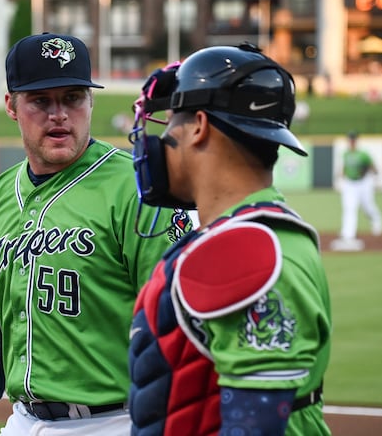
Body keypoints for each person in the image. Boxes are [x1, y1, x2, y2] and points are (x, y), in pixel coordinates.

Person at [0, 32, 192, 436]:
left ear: (91, 102)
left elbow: (180, 326)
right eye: (40, 100)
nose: (58, 114)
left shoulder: (138, 188)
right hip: (22, 421)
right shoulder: (0, 194)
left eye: (73, 97)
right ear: (11, 105)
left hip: (117, 422)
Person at [127, 43, 332, 435]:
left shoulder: (245, 251)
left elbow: (255, 425)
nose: (161, 139)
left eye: (169, 123)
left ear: (199, 126)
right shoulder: (253, 234)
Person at [332, 130, 382, 251]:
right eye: (350, 139)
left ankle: (376, 220)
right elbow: (344, 168)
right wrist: (340, 178)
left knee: (368, 206)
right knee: (349, 208)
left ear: (356, 141)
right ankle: (348, 234)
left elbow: (372, 166)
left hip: (364, 182)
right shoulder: (345, 154)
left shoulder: (363, 154)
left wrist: (375, 176)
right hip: (350, 183)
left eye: (353, 139)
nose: (351, 142)